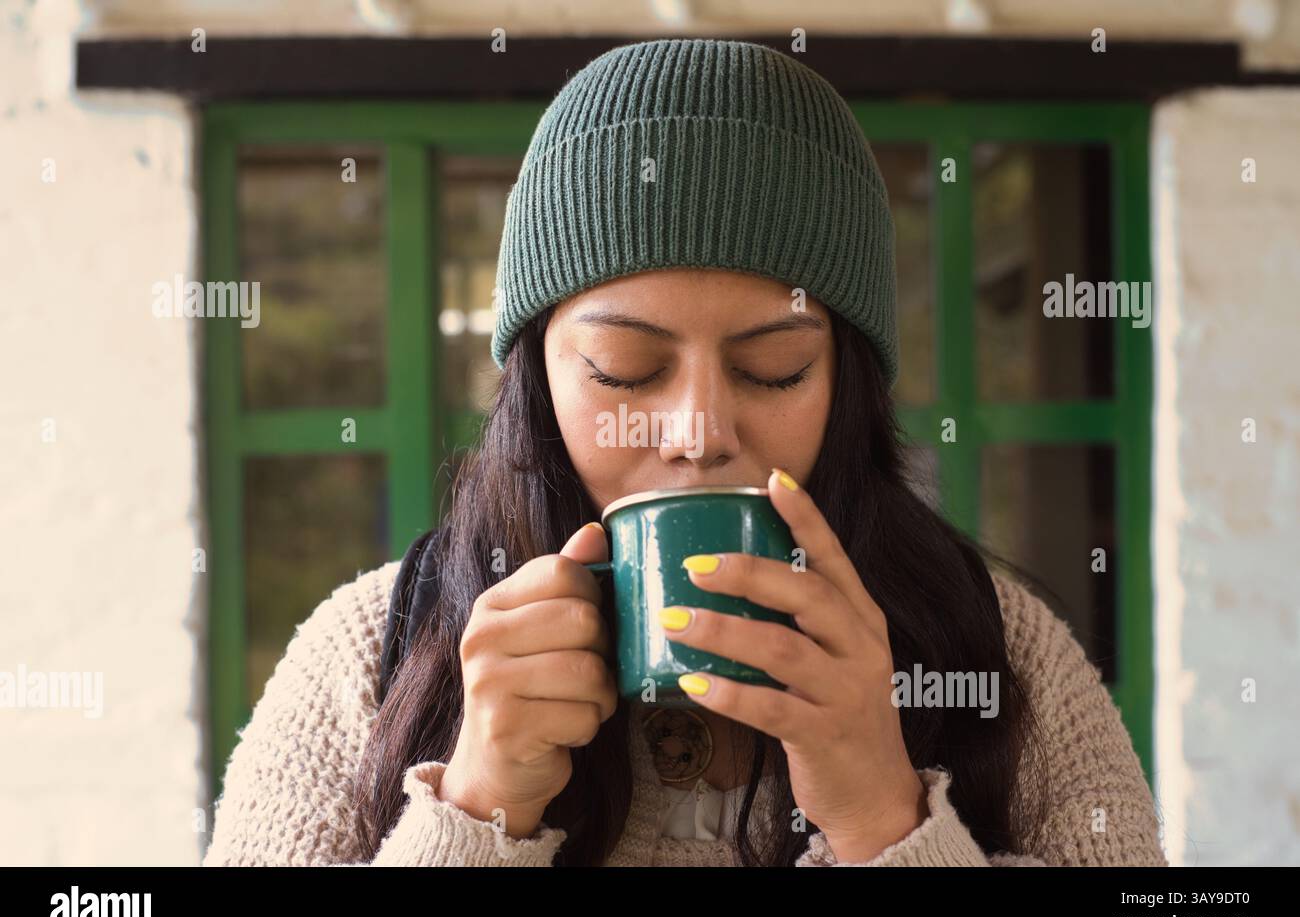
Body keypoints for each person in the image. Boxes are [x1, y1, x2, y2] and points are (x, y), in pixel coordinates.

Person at [202, 37, 1166, 867]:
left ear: (851, 385)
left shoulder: (994, 642)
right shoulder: (375, 648)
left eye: (777, 370)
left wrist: (885, 817)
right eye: (624, 370)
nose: (699, 433)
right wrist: (477, 809)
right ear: (535, 380)